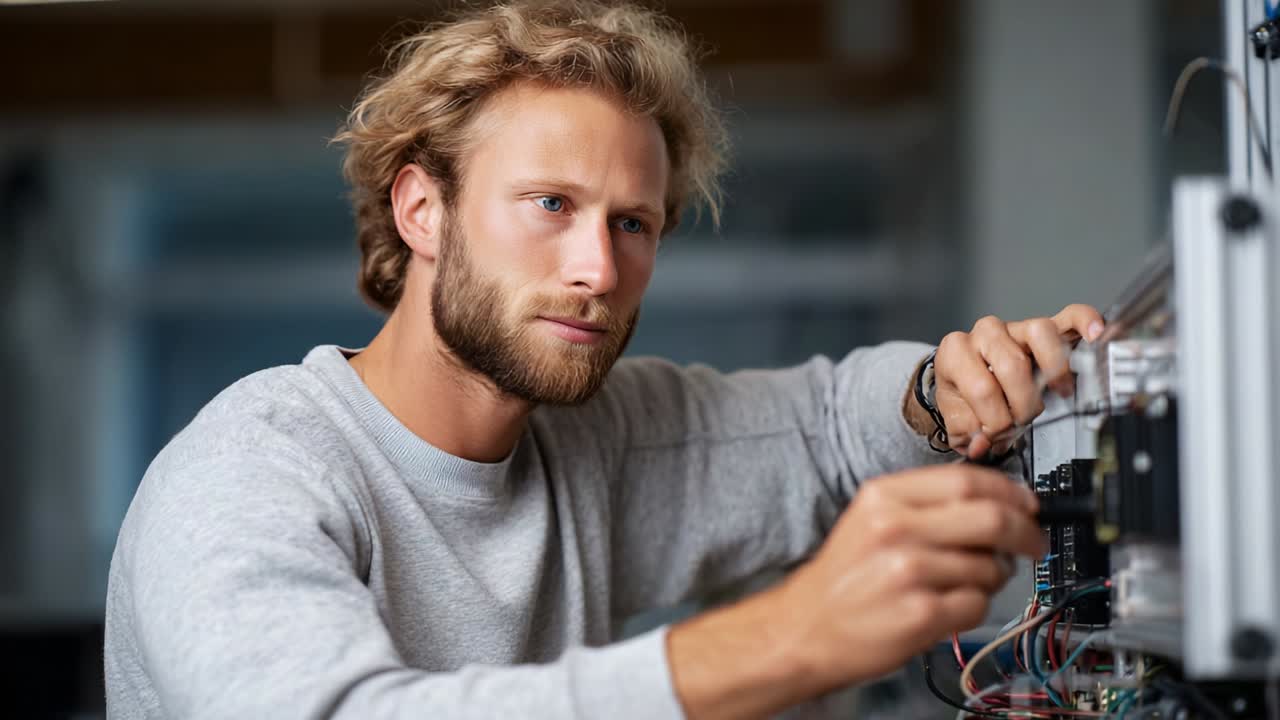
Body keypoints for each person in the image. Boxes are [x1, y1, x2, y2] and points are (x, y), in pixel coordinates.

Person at [103, 1, 1105, 718]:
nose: (597, 266)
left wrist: (946, 389)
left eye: (634, 223)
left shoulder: (598, 434)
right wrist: (782, 640)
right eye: (550, 205)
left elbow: (826, 427)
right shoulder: (251, 473)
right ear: (422, 210)